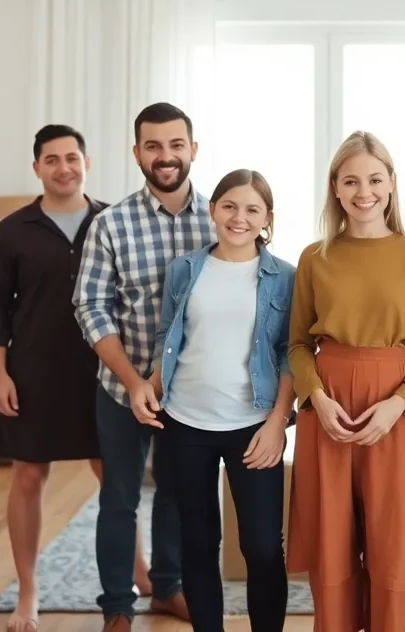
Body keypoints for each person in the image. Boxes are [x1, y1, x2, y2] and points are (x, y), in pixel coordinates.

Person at [0, 124, 150, 632]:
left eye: (72, 157)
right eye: (51, 159)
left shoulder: (113, 220)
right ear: (37, 168)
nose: (63, 167)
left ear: (88, 162)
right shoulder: (12, 230)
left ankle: (140, 579)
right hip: (33, 373)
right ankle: (28, 593)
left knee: (116, 479)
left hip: (105, 371)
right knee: (29, 477)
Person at [285, 131, 405, 632]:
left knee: (392, 536)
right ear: (334, 187)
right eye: (350, 180)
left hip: (393, 407)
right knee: (331, 537)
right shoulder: (315, 257)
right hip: (327, 405)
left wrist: (401, 404)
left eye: (375, 179)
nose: (363, 191)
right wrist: (315, 399)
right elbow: (295, 345)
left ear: (392, 183)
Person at [129, 168, 296, 632]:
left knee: (263, 546)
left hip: (253, 426)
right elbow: (169, 336)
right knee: (198, 542)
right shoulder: (185, 269)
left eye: (251, 209)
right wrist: (150, 386)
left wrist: (277, 423)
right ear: (213, 209)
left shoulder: (285, 277)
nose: (238, 218)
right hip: (184, 423)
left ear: (267, 219)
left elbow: (290, 354)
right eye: (229, 206)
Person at [74, 102, 213, 632]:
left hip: (191, 393)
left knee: (178, 495)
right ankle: (116, 606)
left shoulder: (219, 217)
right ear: (136, 153)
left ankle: (168, 588)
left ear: (193, 150)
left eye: (176, 145)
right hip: (121, 387)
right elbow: (90, 306)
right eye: (153, 146)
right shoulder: (110, 224)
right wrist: (133, 383)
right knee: (119, 499)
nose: (165, 156)